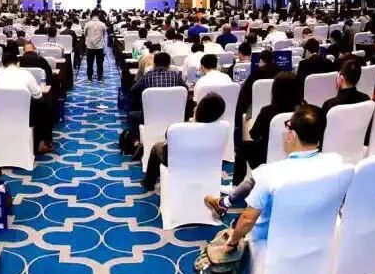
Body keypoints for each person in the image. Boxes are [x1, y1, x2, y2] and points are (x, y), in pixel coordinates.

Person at [215, 105, 343, 250]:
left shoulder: (270, 174)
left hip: (271, 247)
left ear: (291, 135)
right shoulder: (337, 163)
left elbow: (247, 220)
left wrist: (232, 241)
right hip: (320, 243)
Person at [142, 93, 226, 190]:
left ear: (199, 110)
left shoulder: (178, 129)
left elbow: (168, 137)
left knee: (157, 147)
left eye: (197, 105)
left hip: (181, 166)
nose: (194, 108)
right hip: (206, 167)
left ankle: (148, 183)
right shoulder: (223, 128)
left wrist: (193, 120)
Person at [232, 72, 300, 184]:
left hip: (266, 157)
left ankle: (236, 183)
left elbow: (254, 134)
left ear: (275, 90)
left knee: (243, 147)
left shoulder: (267, 111)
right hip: (299, 155)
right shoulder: (305, 111)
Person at [0, 50, 55, 154]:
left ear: (3, 63)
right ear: (18, 62)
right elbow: (38, 95)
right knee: (44, 106)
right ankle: (42, 143)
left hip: (2, 114)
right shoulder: (26, 74)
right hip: (25, 115)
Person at [125, 51, 186, 151]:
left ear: (154, 63)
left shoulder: (148, 76)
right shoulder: (175, 76)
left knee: (132, 115)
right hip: (174, 117)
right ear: (169, 64)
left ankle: (135, 145)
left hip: (150, 117)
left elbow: (133, 91)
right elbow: (185, 90)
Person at [83, 12, 108, 81]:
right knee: (100, 63)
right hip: (99, 46)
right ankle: (100, 78)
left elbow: (84, 34)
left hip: (90, 46)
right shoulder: (102, 24)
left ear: (91, 16)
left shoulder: (87, 24)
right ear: (98, 16)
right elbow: (104, 34)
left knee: (90, 63)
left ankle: (89, 78)